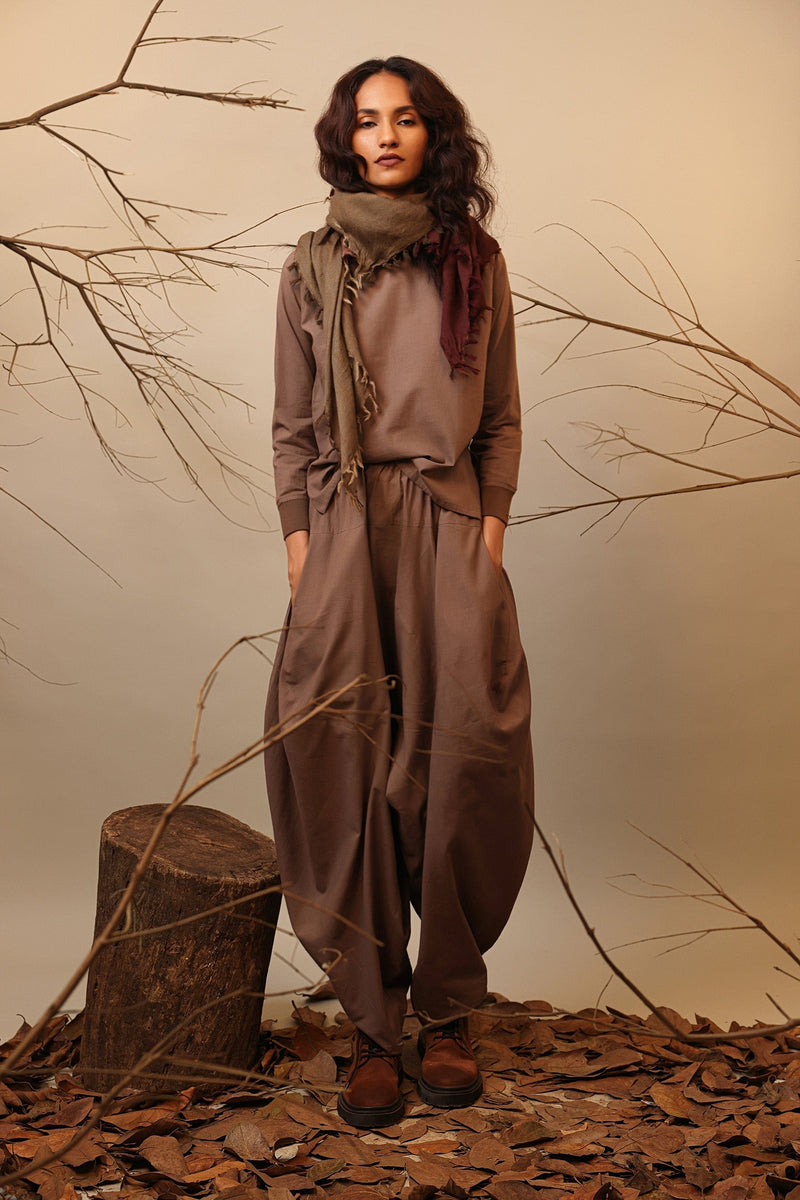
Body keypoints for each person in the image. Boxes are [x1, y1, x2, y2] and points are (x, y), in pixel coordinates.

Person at [264, 55, 534, 1129]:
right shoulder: (310, 265)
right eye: (367, 119)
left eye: (405, 118)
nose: (384, 134)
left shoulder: (474, 261)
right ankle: (374, 1027)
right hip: (342, 524)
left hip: (446, 521)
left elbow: (499, 412)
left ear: (434, 136)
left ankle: (448, 1012)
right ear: (345, 137)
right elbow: (292, 427)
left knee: (463, 760)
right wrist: (303, 546)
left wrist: (489, 530)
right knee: (342, 765)